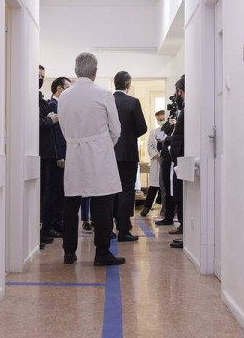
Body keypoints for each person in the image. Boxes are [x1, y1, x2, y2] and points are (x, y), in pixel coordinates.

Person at [57, 53, 125, 266]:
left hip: (74, 152)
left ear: (76, 71)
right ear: (95, 72)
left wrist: (75, 141)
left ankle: (69, 252)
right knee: (102, 202)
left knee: (71, 203)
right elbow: (116, 129)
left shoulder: (64, 96)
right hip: (99, 153)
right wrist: (103, 144)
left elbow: (63, 127)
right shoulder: (103, 93)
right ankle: (102, 253)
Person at [111, 71, 148, 242]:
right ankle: (123, 229)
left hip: (109, 152)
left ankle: (108, 229)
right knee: (126, 190)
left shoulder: (107, 100)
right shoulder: (133, 102)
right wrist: (129, 135)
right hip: (128, 153)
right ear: (128, 85)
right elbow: (142, 127)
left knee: (110, 190)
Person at [47, 77, 72, 233]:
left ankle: (59, 222)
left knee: (61, 190)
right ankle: (54, 224)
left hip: (64, 152)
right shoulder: (52, 105)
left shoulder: (61, 105)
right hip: (58, 154)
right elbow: (56, 133)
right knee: (56, 191)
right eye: (67, 87)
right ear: (59, 88)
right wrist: (59, 155)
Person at [38, 65, 59, 246]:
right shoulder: (33, 100)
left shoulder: (40, 99)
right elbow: (36, 122)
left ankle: (45, 229)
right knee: (43, 194)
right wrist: (50, 119)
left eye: (43, 77)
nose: (40, 79)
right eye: (38, 76)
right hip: (41, 152)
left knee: (48, 193)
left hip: (48, 152)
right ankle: (41, 231)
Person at [168, 76, 186, 249]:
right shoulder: (184, 109)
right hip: (178, 158)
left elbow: (180, 135)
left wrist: (168, 140)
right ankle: (183, 227)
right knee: (178, 194)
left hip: (181, 158)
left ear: (180, 91)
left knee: (181, 194)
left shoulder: (187, 109)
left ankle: (185, 230)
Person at [140, 110, 166, 216]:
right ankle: (146, 207)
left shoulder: (171, 130)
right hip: (156, 161)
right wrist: (157, 155)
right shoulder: (154, 132)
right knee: (153, 186)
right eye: (159, 120)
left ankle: (162, 207)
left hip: (167, 161)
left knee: (164, 187)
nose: (161, 121)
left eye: (162, 119)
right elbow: (150, 146)